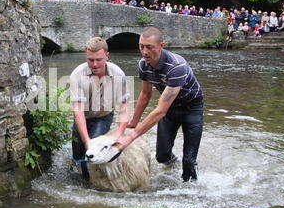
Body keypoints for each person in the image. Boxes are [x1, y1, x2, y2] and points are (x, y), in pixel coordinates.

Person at [117, 27, 203, 182]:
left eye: (149, 47)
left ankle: (191, 192)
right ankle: (175, 167)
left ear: (161, 46)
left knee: (189, 162)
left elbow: (160, 111)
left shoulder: (177, 66)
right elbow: (145, 94)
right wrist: (134, 121)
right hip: (170, 110)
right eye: (141, 46)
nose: (144, 52)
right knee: (162, 157)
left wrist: (131, 137)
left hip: (192, 108)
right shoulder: (143, 65)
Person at [70, 37, 130, 181]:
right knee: (77, 157)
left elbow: (124, 107)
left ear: (107, 56)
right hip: (83, 117)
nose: (95, 64)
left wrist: (119, 134)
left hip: (104, 116)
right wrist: (85, 140)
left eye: (99, 59)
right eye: (90, 60)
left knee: (90, 153)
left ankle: (91, 185)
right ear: (86, 56)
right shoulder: (77, 75)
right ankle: (79, 179)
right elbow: (77, 112)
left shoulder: (118, 74)